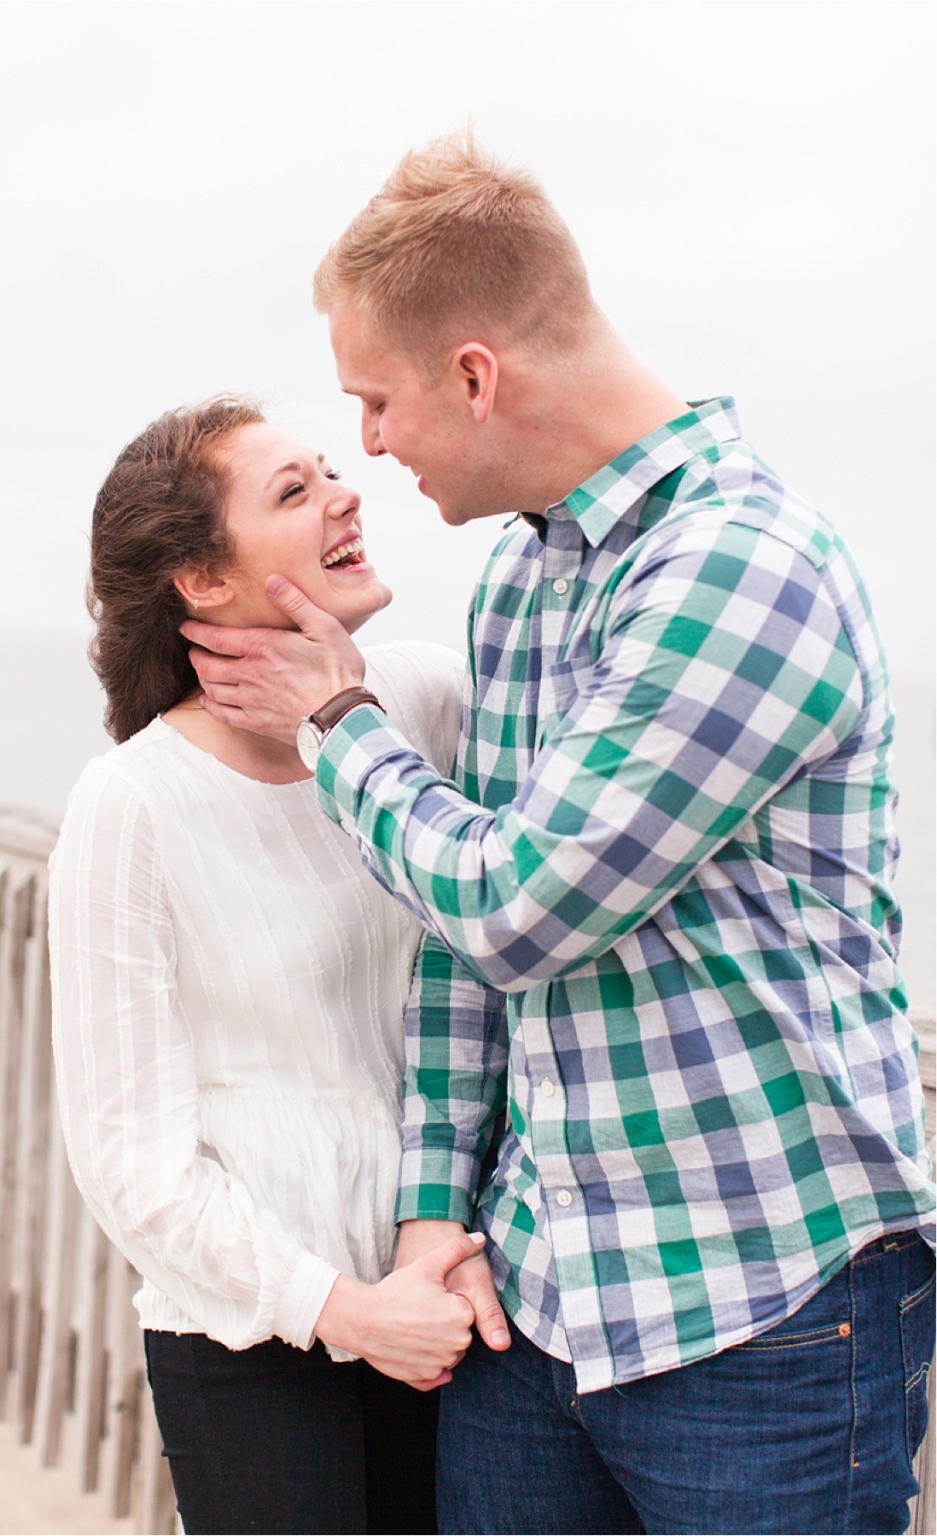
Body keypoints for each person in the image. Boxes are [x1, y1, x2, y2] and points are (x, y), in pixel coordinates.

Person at [182, 132, 935, 1534]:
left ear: (474, 374)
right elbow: (463, 945)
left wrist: (340, 728)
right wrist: (430, 1216)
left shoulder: (740, 569)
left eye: (381, 401)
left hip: (760, 1307)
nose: (371, 446)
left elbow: (521, 900)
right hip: (538, 1293)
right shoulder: (526, 585)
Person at [49, 397, 475, 1535]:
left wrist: (420, 1278)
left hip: (453, 1289)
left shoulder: (426, 698)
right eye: (292, 491)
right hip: (252, 1333)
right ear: (200, 578)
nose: (345, 494)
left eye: (330, 472)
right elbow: (127, 1159)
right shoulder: (131, 804)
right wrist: (336, 1309)